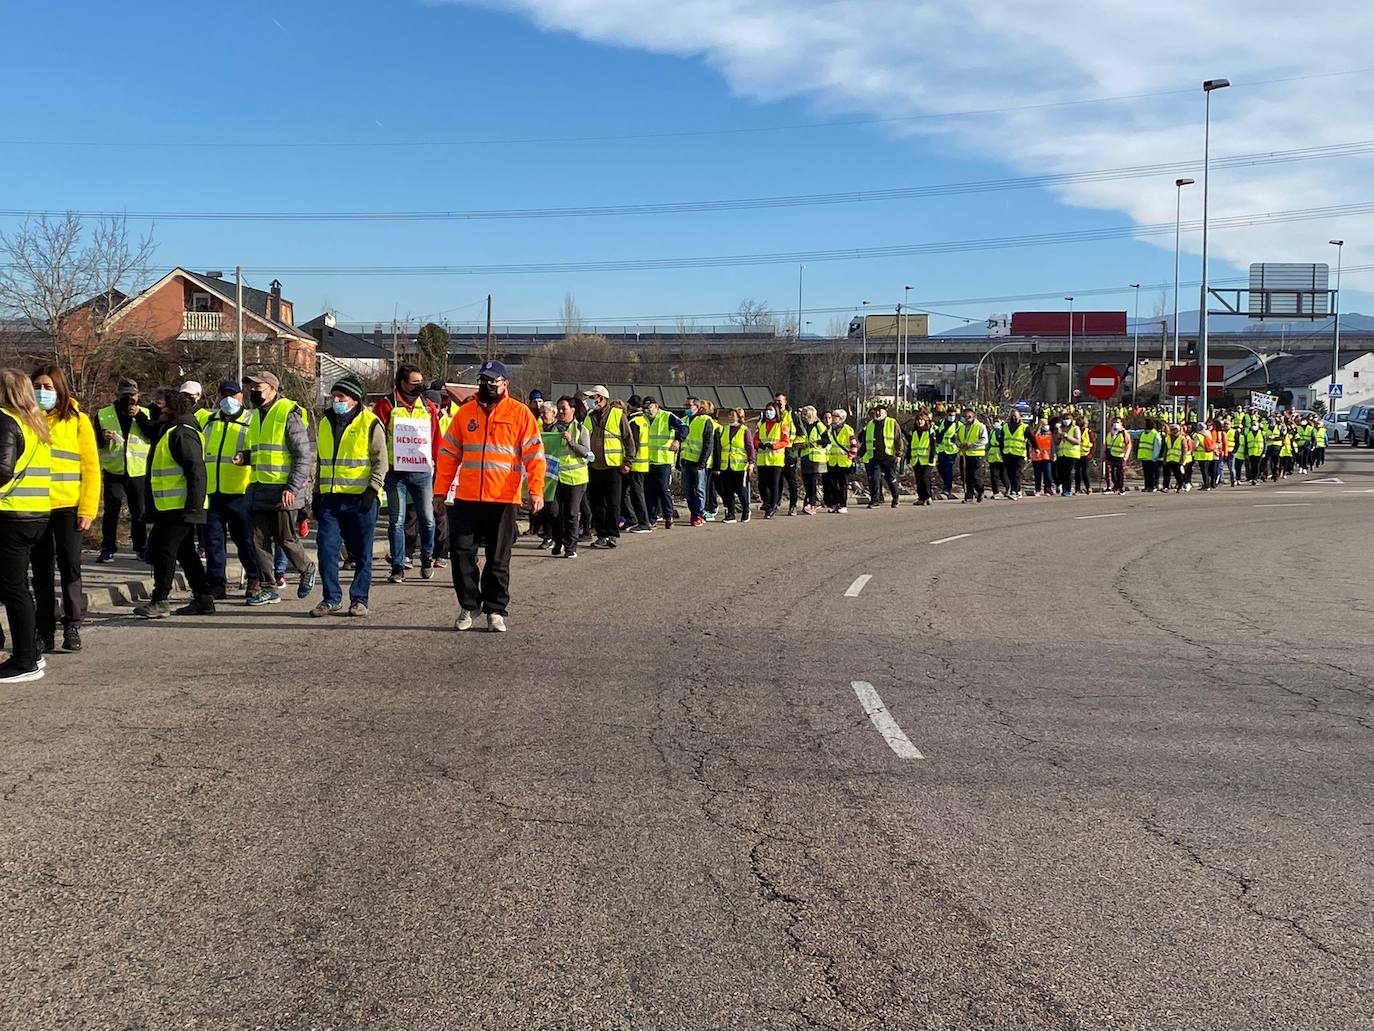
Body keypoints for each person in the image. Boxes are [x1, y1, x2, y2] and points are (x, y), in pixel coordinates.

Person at [434, 359, 545, 632]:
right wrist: (439, 490)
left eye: (492, 381)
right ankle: (469, 605)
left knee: (498, 559)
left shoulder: (519, 413)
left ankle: (495, 610)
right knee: (461, 554)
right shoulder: (465, 413)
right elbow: (448, 455)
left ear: (504, 384)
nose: (487, 385)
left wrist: (536, 491)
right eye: (483, 380)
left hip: (503, 499)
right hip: (467, 499)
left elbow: (534, 456)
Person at [27, 365, 98, 654]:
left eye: (48, 387)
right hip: (35, 506)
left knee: (70, 566)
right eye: (38, 386)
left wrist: (88, 509)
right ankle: (45, 630)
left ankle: (72, 624)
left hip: (69, 506)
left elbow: (91, 467)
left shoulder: (77, 420)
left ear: (59, 388)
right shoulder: (25, 418)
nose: (42, 392)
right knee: (41, 572)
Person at [311, 375, 387, 618]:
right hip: (331, 499)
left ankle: (359, 599)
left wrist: (372, 490)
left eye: (340, 397)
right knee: (326, 548)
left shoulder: (370, 422)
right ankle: (331, 598)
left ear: (354, 400)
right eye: (333, 397)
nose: (335, 401)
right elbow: (322, 461)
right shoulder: (325, 422)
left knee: (362, 551)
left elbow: (380, 461)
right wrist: (316, 494)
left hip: (360, 499)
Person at [133, 389, 213, 619]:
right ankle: (203, 597)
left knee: (163, 550)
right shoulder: (168, 430)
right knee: (185, 552)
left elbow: (196, 471)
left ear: (172, 407)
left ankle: (160, 599)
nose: (156, 408)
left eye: (160, 405)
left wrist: (194, 507)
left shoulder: (182, 432)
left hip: (181, 506)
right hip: (169, 506)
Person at [240, 372, 317, 606]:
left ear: (272, 388)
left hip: (284, 490)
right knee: (257, 540)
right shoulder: (256, 415)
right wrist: (245, 457)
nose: (253, 390)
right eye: (251, 386)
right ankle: (268, 588)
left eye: (258, 386)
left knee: (285, 538)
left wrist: (292, 487)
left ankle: (307, 568)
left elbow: (303, 456)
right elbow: (265, 451)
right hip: (259, 486)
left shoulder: (288, 413)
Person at [0, 370, 53, 682]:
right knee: (18, 586)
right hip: (35, 513)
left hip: (10, 513)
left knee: (13, 588)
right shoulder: (35, 422)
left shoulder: (6, 420)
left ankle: (25, 661)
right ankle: (29, 653)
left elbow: (3, 469)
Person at [372, 365, 440, 583]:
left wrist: (438, 464)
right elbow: (377, 438)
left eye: (421, 382)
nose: (419, 386)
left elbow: (436, 437)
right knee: (396, 521)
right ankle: (398, 565)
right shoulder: (386, 405)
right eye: (414, 382)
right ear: (402, 383)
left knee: (428, 519)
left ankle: (427, 556)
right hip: (395, 473)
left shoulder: (428, 406)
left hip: (422, 472)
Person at [201, 379, 260, 599]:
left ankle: (254, 577)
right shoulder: (209, 421)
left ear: (241, 397)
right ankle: (217, 583)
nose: (228, 400)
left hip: (240, 491)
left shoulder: (250, 421)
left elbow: (260, 452)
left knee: (244, 539)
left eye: (232, 395)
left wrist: (246, 458)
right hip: (213, 490)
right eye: (224, 395)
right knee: (213, 541)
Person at [95, 378, 154, 563]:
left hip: (138, 470)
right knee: (111, 511)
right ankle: (108, 548)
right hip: (114, 470)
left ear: (138, 396)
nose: (129, 399)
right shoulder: (104, 414)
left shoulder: (146, 413)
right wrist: (102, 437)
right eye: (125, 395)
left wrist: (139, 416)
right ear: (117, 395)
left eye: (132, 395)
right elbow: (93, 440)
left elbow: (153, 434)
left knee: (139, 512)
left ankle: (141, 547)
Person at [582, 385, 633, 548]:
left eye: (593, 397)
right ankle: (601, 535)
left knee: (613, 503)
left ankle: (612, 535)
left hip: (613, 466)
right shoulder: (589, 417)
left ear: (602, 398)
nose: (590, 401)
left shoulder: (618, 415)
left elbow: (628, 440)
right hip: (594, 466)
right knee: (597, 503)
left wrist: (628, 461)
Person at [549, 395, 591, 558]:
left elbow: (586, 453)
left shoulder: (581, 429)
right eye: (558, 409)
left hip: (576, 478)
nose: (560, 412)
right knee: (554, 512)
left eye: (563, 409)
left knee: (572, 513)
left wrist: (571, 441)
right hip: (556, 478)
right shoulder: (553, 429)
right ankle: (558, 541)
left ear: (572, 410)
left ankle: (570, 547)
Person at [642, 396, 684, 528]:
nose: (647, 410)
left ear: (656, 406)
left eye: (649, 407)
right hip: (648, 461)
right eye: (645, 408)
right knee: (649, 491)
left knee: (663, 489)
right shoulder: (643, 419)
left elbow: (684, 427)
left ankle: (668, 516)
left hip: (663, 460)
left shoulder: (667, 416)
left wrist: (678, 440)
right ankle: (652, 518)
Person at [679, 396, 716, 527]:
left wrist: (703, 462)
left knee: (699, 489)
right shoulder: (683, 420)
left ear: (698, 407)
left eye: (690, 406)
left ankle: (699, 514)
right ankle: (693, 512)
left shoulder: (705, 420)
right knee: (687, 490)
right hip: (685, 461)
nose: (687, 408)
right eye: (686, 406)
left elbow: (708, 444)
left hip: (698, 462)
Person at [717, 407, 755, 522]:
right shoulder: (725, 429)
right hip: (726, 465)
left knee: (740, 490)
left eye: (734, 414)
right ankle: (731, 513)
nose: (731, 416)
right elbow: (721, 446)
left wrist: (751, 462)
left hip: (739, 465)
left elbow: (750, 447)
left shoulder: (744, 430)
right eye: (730, 414)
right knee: (727, 490)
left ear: (739, 416)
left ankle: (746, 510)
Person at [861, 402, 901, 508]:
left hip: (888, 456)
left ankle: (895, 497)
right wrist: (860, 454)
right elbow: (865, 441)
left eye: (880, 411)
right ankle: (875, 500)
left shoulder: (892, 423)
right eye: (876, 411)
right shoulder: (870, 424)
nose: (878, 413)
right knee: (874, 479)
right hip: (874, 457)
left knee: (890, 479)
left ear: (885, 413)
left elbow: (898, 439)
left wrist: (898, 454)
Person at [754, 401, 790, 517]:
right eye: (767, 410)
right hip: (762, 459)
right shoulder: (761, 424)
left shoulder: (782, 424)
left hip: (775, 459)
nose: (768, 412)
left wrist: (774, 446)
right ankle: (767, 502)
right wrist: (759, 444)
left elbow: (785, 441)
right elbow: (755, 439)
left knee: (774, 484)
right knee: (762, 484)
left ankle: (772, 506)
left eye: (771, 410)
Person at [623, 395, 652, 533]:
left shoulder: (634, 422)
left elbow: (633, 445)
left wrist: (628, 461)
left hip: (636, 465)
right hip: (643, 463)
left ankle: (643, 522)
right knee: (632, 493)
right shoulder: (644, 420)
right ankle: (635, 520)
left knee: (636, 494)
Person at [773, 392, 800, 516]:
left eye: (780, 401)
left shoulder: (792, 416)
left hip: (789, 454)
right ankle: (775, 503)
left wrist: (792, 447)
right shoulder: (774, 415)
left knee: (791, 481)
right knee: (777, 480)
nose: (778, 403)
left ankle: (793, 505)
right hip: (777, 453)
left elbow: (802, 435)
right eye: (776, 401)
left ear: (785, 401)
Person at [797, 406, 827, 515]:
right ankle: (808, 503)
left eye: (806, 414)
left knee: (813, 482)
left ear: (812, 414)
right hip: (805, 457)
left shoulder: (818, 425)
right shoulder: (802, 426)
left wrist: (815, 443)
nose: (804, 416)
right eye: (803, 414)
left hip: (816, 458)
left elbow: (826, 440)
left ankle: (812, 504)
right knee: (807, 483)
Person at [823, 409, 855, 513]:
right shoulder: (830, 430)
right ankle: (834, 504)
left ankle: (843, 505)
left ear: (841, 418)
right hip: (832, 461)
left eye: (835, 417)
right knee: (832, 485)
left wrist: (851, 456)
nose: (832, 418)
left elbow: (853, 445)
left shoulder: (848, 429)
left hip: (844, 461)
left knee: (843, 485)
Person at [955, 407, 987, 504]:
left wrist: (971, 445)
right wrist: (960, 445)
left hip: (976, 455)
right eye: (965, 417)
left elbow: (984, 440)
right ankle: (969, 495)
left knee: (975, 476)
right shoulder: (961, 427)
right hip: (965, 455)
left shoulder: (980, 426)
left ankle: (980, 491)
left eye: (969, 417)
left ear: (973, 417)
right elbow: (956, 439)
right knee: (966, 476)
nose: (967, 419)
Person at [908, 410, 935, 506]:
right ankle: (921, 498)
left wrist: (931, 457)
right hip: (916, 460)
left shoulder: (929, 432)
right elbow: (910, 446)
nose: (919, 422)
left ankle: (928, 496)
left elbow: (933, 446)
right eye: (918, 420)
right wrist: (908, 458)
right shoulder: (914, 433)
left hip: (927, 460)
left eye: (921, 420)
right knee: (918, 479)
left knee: (925, 478)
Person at [1000, 409, 1027, 498]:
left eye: (1015, 416)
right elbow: (1001, 441)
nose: (1013, 418)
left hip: (1019, 454)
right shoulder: (1005, 427)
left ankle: (1014, 491)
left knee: (1017, 473)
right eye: (1012, 416)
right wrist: (1002, 452)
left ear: (1019, 416)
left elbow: (1031, 438)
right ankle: (1017, 489)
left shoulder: (1024, 427)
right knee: (1010, 473)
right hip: (1008, 453)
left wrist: (1036, 449)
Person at [933, 410, 959, 499]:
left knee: (948, 469)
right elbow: (939, 432)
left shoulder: (958, 425)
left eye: (953, 415)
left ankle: (947, 488)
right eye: (950, 415)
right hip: (941, 450)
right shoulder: (942, 422)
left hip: (951, 451)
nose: (951, 416)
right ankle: (947, 483)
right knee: (940, 469)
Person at [1104, 417, 1131, 494]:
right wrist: (1104, 455)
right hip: (1111, 455)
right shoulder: (1110, 433)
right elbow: (1106, 445)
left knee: (1120, 473)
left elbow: (1128, 445)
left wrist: (1126, 456)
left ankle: (1121, 488)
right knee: (1111, 473)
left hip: (1120, 456)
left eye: (1118, 422)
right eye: (1114, 422)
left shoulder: (1124, 433)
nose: (1116, 424)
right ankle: (1114, 486)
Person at [1054, 416, 1080, 498]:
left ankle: (1067, 490)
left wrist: (1067, 437)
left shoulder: (1075, 428)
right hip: (1062, 453)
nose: (1066, 421)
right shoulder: (1060, 429)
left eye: (1067, 419)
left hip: (1072, 454)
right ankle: (1062, 486)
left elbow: (1077, 441)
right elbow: (1056, 442)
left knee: (1068, 473)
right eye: (1064, 419)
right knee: (1061, 472)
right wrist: (1059, 437)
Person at [1030, 418, 1055, 496]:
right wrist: (1039, 427)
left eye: (1045, 424)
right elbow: (1033, 439)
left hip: (1046, 456)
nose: (1045, 426)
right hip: (1037, 457)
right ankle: (1038, 489)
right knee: (1037, 475)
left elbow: (1052, 444)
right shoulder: (1035, 433)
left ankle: (1048, 488)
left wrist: (1053, 454)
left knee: (1047, 474)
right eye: (1043, 424)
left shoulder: (1049, 433)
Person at [1136, 418, 1162, 493]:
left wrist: (1154, 457)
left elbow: (1157, 447)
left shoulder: (1155, 434)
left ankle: (1153, 486)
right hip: (1144, 457)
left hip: (1152, 458)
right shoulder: (1144, 433)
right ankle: (1147, 486)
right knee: (1146, 474)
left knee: (1152, 473)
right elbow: (1134, 433)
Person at [1162, 423, 1186, 493]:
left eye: (1172, 430)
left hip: (1177, 459)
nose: (1171, 431)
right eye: (1170, 429)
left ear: (1177, 430)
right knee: (1166, 474)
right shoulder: (1168, 438)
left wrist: (1182, 459)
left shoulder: (1181, 438)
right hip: (1169, 459)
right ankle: (1166, 486)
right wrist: (1164, 459)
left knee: (1178, 474)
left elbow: (1184, 449)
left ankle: (1180, 486)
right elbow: (1166, 449)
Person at [987, 416, 1007, 498]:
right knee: (993, 476)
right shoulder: (992, 431)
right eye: (994, 421)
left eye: (997, 421)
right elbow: (989, 442)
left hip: (1001, 455)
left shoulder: (1003, 431)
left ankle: (1008, 488)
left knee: (1003, 475)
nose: (996, 423)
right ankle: (995, 492)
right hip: (993, 455)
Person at [1074, 414, 1094, 495]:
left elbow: (1093, 443)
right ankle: (1077, 489)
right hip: (1077, 454)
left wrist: (1091, 454)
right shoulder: (1076, 430)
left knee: (1084, 472)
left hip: (1086, 455)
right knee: (1077, 472)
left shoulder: (1088, 432)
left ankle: (1088, 487)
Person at [1243, 417, 1266, 485]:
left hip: (1259, 453)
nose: (1253, 426)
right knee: (1252, 466)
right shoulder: (1248, 434)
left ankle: (1255, 478)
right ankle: (1253, 478)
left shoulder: (1262, 433)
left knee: (1257, 466)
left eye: (1255, 425)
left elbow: (1265, 444)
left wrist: (1264, 452)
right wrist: (1246, 453)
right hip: (1251, 453)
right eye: (1252, 425)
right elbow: (1246, 445)